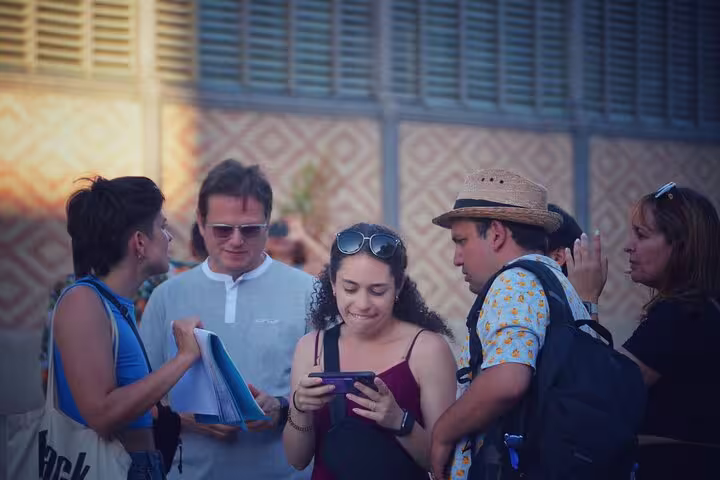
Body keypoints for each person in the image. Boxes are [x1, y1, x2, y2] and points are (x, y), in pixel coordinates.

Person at [139, 159, 315, 479]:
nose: (236, 240)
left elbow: (330, 390)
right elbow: (138, 397)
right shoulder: (167, 296)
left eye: (249, 229)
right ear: (200, 223)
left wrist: (282, 408)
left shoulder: (308, 292)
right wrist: (186, 419)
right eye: (223, 229)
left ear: (267, 224)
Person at [428, 169, 592, 479]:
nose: (456, 258)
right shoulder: (559, 285)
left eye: (461, 241)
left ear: (497, 234)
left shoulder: (513, 281)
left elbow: (507, 380)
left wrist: (443, 433)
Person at [52, 176, 202, 479]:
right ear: (140, 242)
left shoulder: (113, 304)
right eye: (162, 226)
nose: (169, 237)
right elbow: (101, 414)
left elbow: (127, 405)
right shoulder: (84, 301)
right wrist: (184, 358)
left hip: (141, 465)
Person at [568, 182, 720, 479]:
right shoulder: (698, 309)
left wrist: (586, 301)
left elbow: (603, 391)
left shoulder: (683, 314)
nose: (628, 245)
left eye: (642, 234)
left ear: (681, 245)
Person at [283, 223, 458, 479]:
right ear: (332, 284)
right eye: (350, 289)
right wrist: (299, 408)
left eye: (377, 291)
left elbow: (443, 464)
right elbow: (297, 460)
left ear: (398, 288)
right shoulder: (312, 348)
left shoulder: (428, 349)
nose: (362, 304)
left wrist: (399, 420)